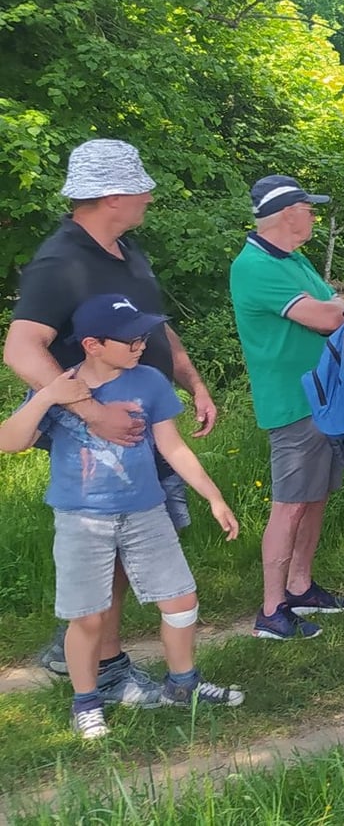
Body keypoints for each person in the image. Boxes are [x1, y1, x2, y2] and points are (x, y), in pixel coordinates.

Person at [5, 139, 218, 697]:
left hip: (143, 417)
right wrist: (91, 412)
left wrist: (192, 381)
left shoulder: (127, 250)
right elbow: (22, 348)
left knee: (134, 539)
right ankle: (94, 659)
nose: (149, 195)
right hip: (100, 435)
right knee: (110, 541)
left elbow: (155, 327)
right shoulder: (63, 260)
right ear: (111, 197)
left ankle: (100, 656)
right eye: (140, 188)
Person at [0, 295, 244, 739]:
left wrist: (214, 497)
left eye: (143, 335)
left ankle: (182, 685)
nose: (140, 344)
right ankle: (86, 702)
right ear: (92, 344)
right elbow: (10, 441)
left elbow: (172, 447)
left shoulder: (149, 381)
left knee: (181, 600)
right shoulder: (60, 387)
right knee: (88, 617)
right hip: (80, 518)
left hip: (145, 512)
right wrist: (49, 395)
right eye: (130, 338)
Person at [230, 176, 344, 642]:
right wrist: (336, 305)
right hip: (292, 403)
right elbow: (329, 316)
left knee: (315, 496)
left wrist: (334, 305)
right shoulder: (254, 266)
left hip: (321, 398)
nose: (315, 216)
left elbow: (331, 305)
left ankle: (300, 585)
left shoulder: (293, 259)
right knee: (290, 504)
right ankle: (271, 609)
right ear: (287, 214)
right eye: (309, 208)